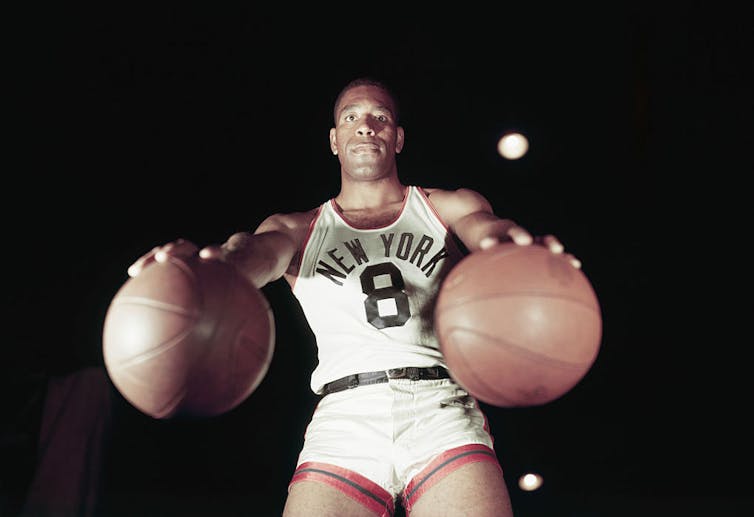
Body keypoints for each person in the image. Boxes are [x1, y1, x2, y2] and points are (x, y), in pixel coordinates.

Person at [128, 77, 580, 517]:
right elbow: (249, 255)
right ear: (334, 140)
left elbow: (487, 230)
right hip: (345, 417)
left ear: (398, 138)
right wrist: (206, 267)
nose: (366, 126)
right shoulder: (298, 228)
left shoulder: (444, 207)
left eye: (379, 116)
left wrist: (514, 246)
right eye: (351, 117)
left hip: (441, 408)